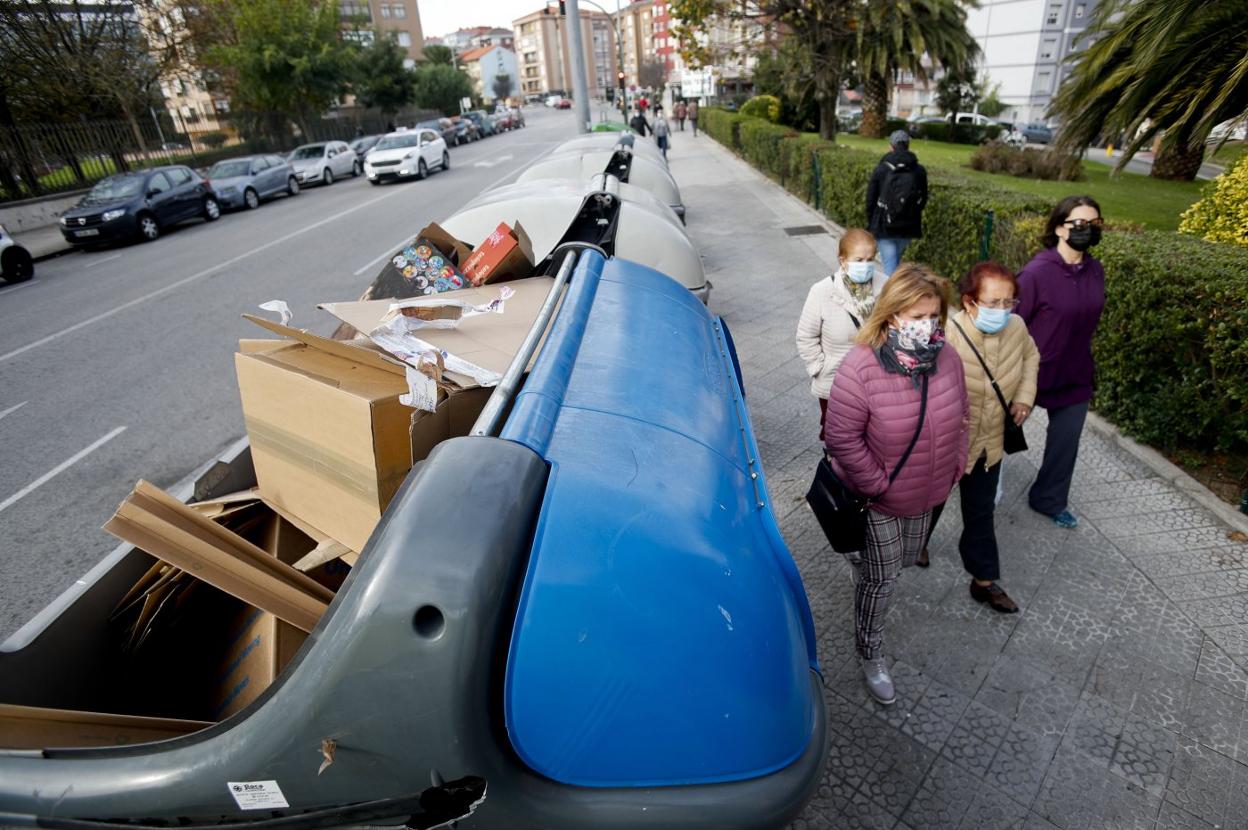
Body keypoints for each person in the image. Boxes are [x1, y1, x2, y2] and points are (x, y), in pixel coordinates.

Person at [824, 264, 969, 704]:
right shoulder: (861, 366)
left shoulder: (948, 359)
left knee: (904, 561)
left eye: (934, 316)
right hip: (881, 499)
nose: (927, 326)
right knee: (882, 582)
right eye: (917, 316)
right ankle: (871, 652)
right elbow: (841, 437)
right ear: (891, 315)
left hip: (929, 493)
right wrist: (876, 484)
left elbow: (963, 417)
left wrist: (955, 465)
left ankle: (867, 565)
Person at [929, 261, 1039, 613]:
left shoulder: (1017, 327)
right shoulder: (946, 332)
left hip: (988, 446)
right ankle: (916, 544)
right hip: (947, 446)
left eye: (1008, 303)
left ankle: (984, 580)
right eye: (992, 303)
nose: (1002, 311)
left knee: (980, 515)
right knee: (930, 503)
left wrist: (1024, 395)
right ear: (969, 301)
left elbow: (1031, 356)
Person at [1017, 196, 1106, 529]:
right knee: (993, 438)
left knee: (1065, 443)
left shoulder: (1095, 269)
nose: (1088, 230)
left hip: (1074, 373)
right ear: (1058, 228)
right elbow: (1014, 322)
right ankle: (966, 485)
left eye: (1095, 224)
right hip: (1030, 374)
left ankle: (1049, 499)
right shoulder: (1036, 273)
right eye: (1079, 224)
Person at [796, 228, 885, 441]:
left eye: (870, 259)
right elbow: (806, 336)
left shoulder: (886, 286)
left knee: (873, 434)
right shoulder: (822, 291)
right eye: (859, 260)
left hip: (876, 380)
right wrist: (818, 367)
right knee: (837, 435)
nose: (865, 265)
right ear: (843, 261)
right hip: (835, 381)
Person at [866, 130, 928, 278]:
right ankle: (894, 294)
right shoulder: (919, 170)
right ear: (908, 146)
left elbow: (870, 198)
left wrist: (871, 223)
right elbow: (924, 197)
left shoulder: (882, 168)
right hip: (908, 225)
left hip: (884, 225)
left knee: (890, 268)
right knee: (894, 261)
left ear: (891, 146)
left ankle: (890, 298)